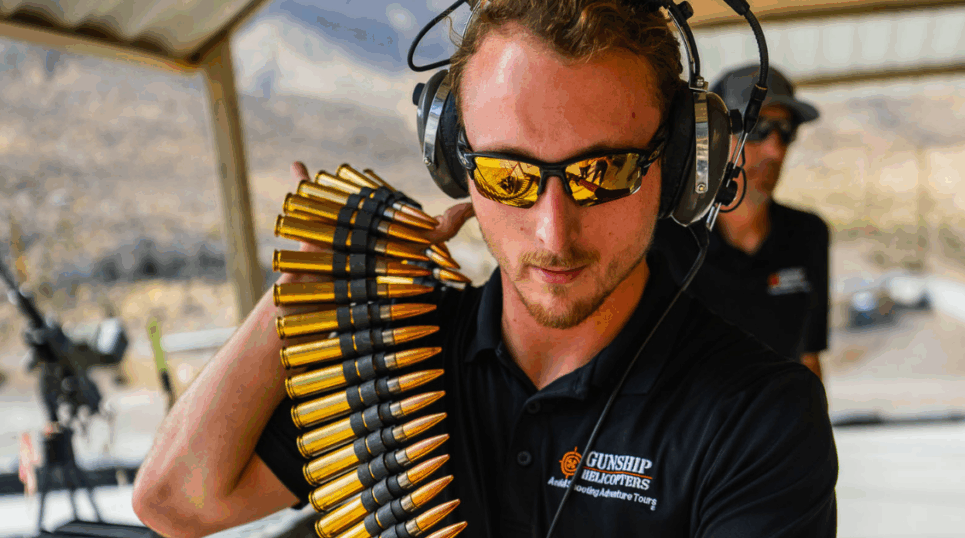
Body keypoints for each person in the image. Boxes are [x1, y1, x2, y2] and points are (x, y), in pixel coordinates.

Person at [132, 2, 837, 537]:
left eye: (606, 170)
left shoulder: (760, 419)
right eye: (508, 174)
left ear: (682, 165)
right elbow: (173, 503)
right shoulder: (397, 356)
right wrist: (303, 288)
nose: (553, 230)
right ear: (454, 166)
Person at [653, 64, 831, 379]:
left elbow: (809, 361)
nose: (775, 150)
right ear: (712, 136)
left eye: (785, 132)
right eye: (757, 128)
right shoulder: (662, 237)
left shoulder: (808, 235)